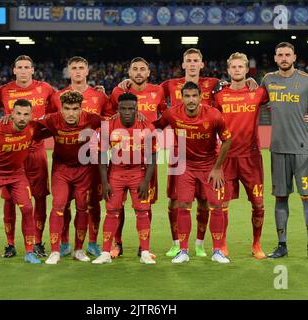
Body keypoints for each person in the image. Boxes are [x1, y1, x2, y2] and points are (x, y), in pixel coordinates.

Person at [118, 48, 257, 258]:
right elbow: (147, 91)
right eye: (188, 61)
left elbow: (233, 90)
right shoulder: (169, 86)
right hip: (179, 152)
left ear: (201, 64)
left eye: (195, 61)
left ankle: (201, 244)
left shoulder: (214, 84)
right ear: (183, 65)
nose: (192, 64)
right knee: (177, 200)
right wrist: (125, 84)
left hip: (207, 150)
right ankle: (178, 244)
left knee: (206, 201)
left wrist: (249, 83)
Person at [261, 42, 308, 260]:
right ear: (275, 58)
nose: (284, 58)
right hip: (278, 149)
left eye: (287, 54)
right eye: (280, 54)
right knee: (280, 198)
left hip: (302, 150)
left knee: (307, 198)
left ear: (294, 57)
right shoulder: (268, 80)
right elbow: (253, 100)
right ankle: (282, 245)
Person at [153, 81, 232, 264]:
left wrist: (218, 167)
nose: (191, 100)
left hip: (209, 166)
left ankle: (217, 250)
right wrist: (137, 121)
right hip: (185, 166)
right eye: (187, 96)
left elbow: (227, 140)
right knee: (184, 205)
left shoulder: (213, 115)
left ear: (200, 97)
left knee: (216, 205)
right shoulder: (172, 113)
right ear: (181, 97)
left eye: (194, 96)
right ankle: (183, 250)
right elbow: (155, 127)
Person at [51, 56, 114, 258]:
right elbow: (49, 122)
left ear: (87, 71)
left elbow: (110, 122)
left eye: (81, 68)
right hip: (64, 159)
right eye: (74, 68)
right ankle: (64, 243)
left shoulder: (100, 96)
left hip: (92, 159)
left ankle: (93, 243)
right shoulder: (56, 97)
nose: (77, 71)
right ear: (68, 72)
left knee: (92, 203)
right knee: (64, 203)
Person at [32, 91, 102, 264]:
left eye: (75, 109)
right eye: (67, 109)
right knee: (58, 206)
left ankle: (78, 249)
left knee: (82, 207)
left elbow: (115, 122)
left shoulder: (92, 119)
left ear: (81, 109)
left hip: (84, 169)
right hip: (61, 170)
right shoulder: (52, 119)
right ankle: (55, 252)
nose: (71, 113)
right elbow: (29, 125)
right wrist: (9, 120)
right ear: (61, 108)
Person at [0, 55, 55, 258]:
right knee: (8, 200)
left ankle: (38, 242)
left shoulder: (45, 88)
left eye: (26, 67)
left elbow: (63, 102)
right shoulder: (3, 91)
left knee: (39, 198)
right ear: (14, 70)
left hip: (36, 152)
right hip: (11, 154)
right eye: (19, 67)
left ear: (32, 70)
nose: (22, 70)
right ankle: (10, 244)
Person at [109, 57, 166, 259]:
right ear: (129, 72)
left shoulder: (158, 90)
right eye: (135, 69)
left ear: (149, 72)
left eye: (143, 69)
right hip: (121, 158)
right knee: (117, 205)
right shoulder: (118, 92)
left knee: (145, 204)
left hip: (146, 157)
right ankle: (118, 243)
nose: (139, 72)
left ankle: (144, 247)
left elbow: (164, 117)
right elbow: (109, 116)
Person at [213, 52, 269, 259]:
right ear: (228, 70)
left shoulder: (259, 93)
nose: (237, 70)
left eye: (240, 67)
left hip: (251, 158)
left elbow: (283, 97)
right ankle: (222, 244)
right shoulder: (219, 96)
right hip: (226, 159)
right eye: (233, 67)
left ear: (247, 70)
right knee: (222, 204)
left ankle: (256, 244)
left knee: (258, 204)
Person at [92, 93, 157, 265]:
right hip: (116, 173)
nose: (127, 112)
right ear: (118, 109)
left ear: (137, 109)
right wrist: (105, 182)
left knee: (142, 212)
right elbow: (101, 155)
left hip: (139, 173)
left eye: (131, 108)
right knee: (112, 212)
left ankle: (145, 252)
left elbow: (152, 156)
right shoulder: (109, 126)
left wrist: (146, 181)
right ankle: (106, 252)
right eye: (123, 108)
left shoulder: (147, 126)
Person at [0, 99, 41, 266]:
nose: (22, 118)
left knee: (27, 208)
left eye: (26, 114)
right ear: (11, 114)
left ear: (31, 116)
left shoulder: (34, 127)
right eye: (18, 114)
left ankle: (29, 251)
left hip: (17, 175)